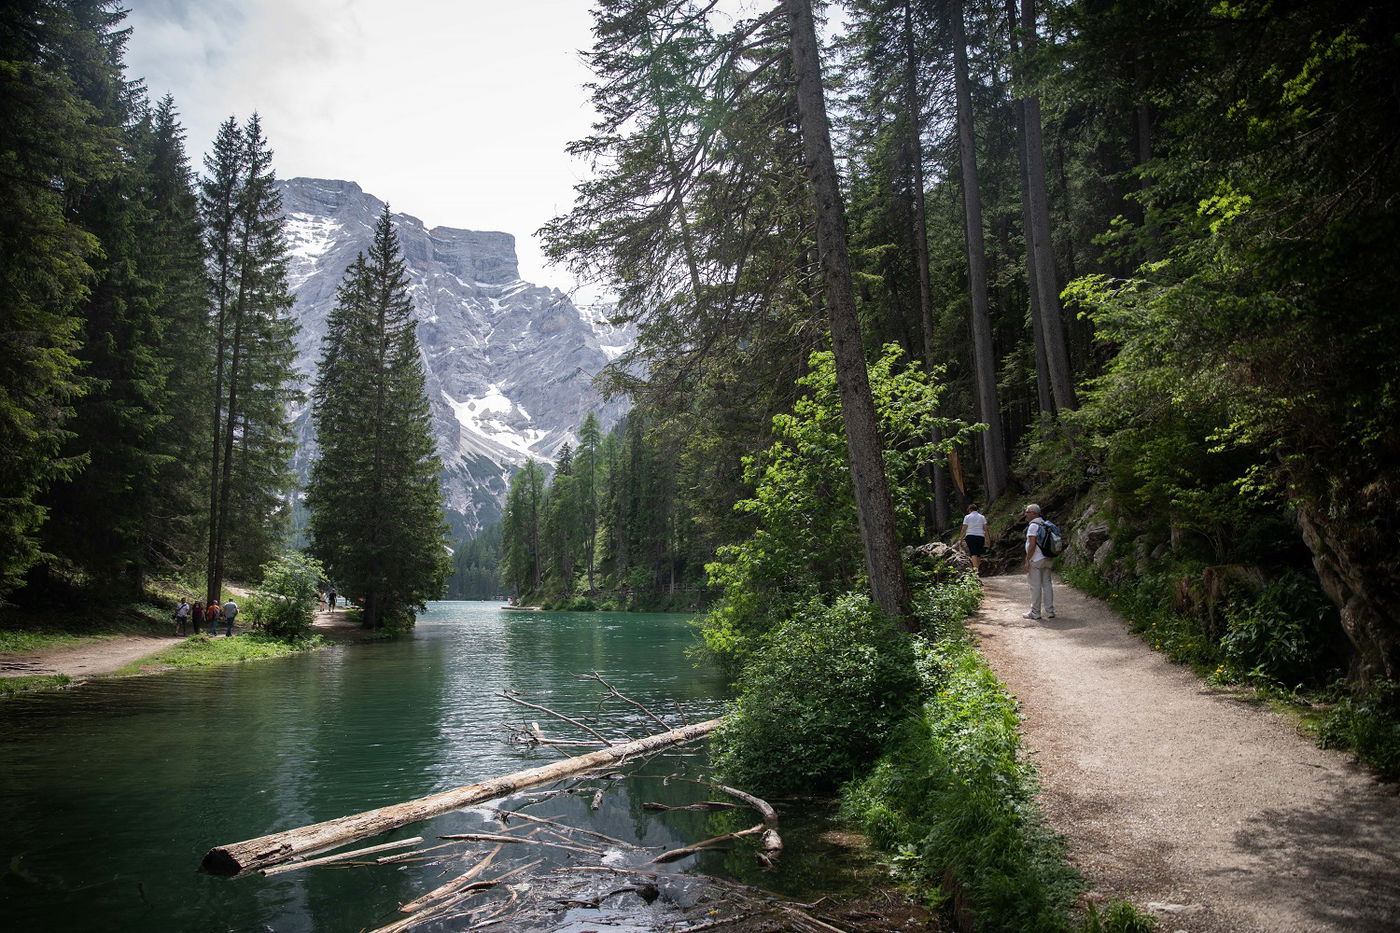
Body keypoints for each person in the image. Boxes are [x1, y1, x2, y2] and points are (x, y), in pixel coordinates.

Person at [1023, 503, 1055, 620]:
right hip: (1048, 558)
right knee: (1047, 584)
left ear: (1033, 513)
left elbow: (1032, 545)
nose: (1025, 514)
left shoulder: (1033, 526)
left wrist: (1028, 560)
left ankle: (1035, 612)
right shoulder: (1046, 524)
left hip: (1036, 559)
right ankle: (1050, 611)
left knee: (1035, 586)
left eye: (1027, 512)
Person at [957, 504, 989, 575]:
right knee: (978, 553)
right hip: (980, 536)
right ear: (976, 509)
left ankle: (975, 571)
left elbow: (964, 528)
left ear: (969, 510)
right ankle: (977, 569)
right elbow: (985, 529)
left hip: (970, 536)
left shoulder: (967, 517)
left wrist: (961, 538)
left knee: (973, 553)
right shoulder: (982, 517)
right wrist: (987, 539)